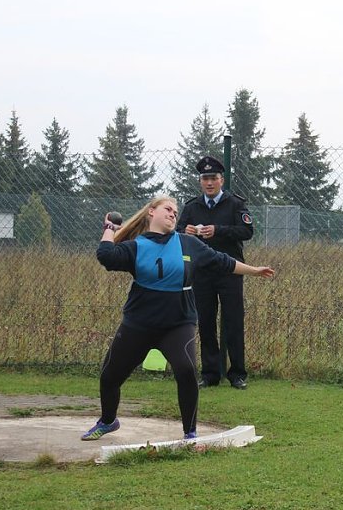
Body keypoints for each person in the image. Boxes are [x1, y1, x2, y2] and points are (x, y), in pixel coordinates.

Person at [81, 195, 274, 441]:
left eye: (175, 211)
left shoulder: (187, 244)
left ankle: (189, 433)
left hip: (177, 324)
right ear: (151, 212)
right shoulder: (136, 246)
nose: (173, 214)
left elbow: (222, 261)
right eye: (168, 209)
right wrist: (110, 228)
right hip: (138, 325)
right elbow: (106, 256)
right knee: (110, 375)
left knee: (186, 371)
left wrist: (254, 270)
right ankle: (108, 421)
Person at [177, 156, 254, 390]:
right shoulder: (192, 207)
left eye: (213, 178)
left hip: (230, 270)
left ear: (222, 180)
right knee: (206, 322)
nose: (209, 183)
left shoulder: (235, 204)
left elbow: (247, 231)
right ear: (200, 182)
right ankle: (210, 374)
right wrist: (187, 230)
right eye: (205, 179)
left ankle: (237, 374)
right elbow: (178, 230)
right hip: (202, 272)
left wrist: (218, 230)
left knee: (233, 321)